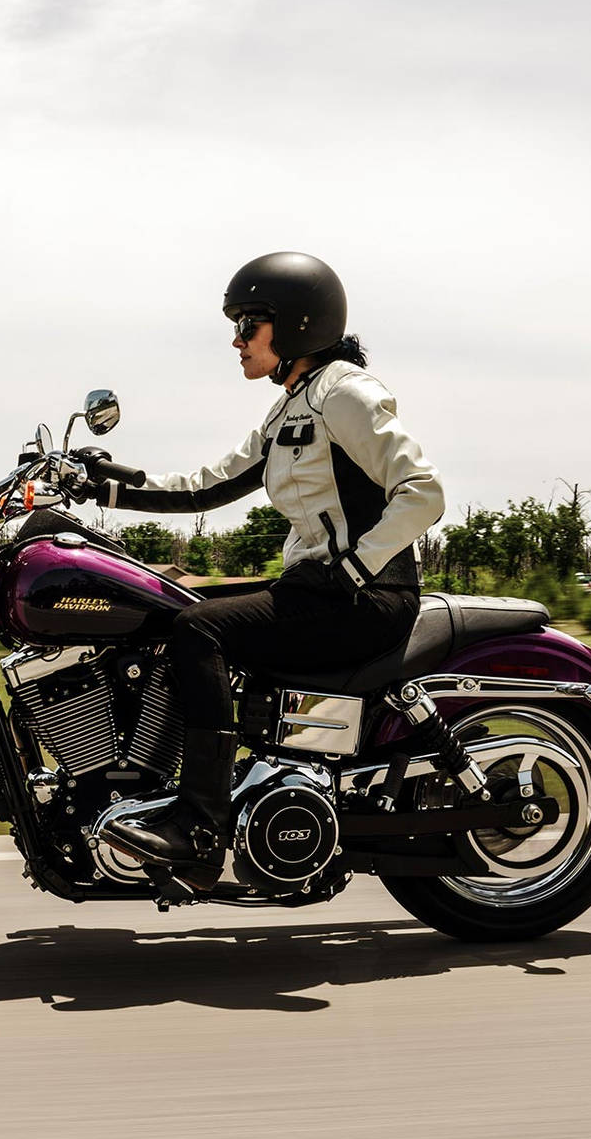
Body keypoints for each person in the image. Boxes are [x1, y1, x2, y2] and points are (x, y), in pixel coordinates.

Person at [95, 251, 444, 879]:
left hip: (365, 598)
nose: (235, 340)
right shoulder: (292, 407)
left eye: (247, 324)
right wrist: (108, 486)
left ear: (295, 326)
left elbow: (422, 491)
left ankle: (199, 825)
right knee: (174, 604)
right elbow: (207, 487)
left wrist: (357, 567)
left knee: (198, 630)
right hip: (318, 588)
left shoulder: (344, 393)